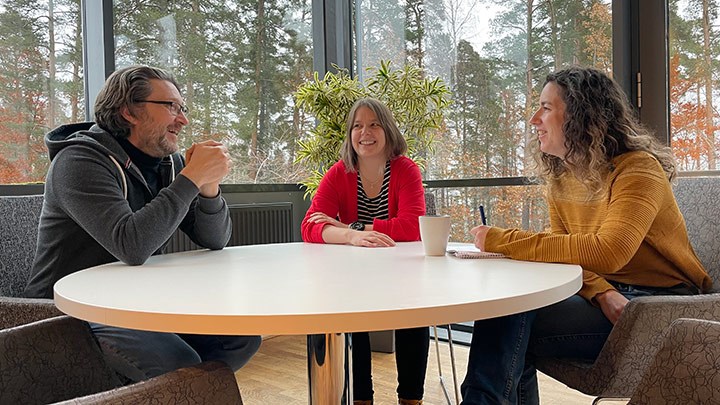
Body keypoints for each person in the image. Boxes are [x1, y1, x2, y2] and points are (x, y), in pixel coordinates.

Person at [459, 66, 713, 405]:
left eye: (546, 108)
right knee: (512, 307)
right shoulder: (563, 178)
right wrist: (601, 292)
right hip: (611, 297)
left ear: (581, 115)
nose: (534, 119)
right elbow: (568, 257)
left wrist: (500, 239)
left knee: (510, 318)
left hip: (662, 305)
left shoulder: (638, 169)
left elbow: (610, 251)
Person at [23, 65, 261, 383]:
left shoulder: (169, 163)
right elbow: (131, 245)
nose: (183, 119)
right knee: (179, 362)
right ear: (129, 112)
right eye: (171, 107)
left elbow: (215, 238)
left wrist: (208, 187)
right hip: (70, 310)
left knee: (240, 338)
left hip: (132, 300)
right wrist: (191, 178)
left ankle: (169, 392)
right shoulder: (78, 162)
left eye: (182, 107)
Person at [301, 97, 429, 405]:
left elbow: (413, 225)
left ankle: (411, 399)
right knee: (350, 315)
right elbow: (310, 227)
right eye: (357, 126)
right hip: (353, 274)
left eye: (373, 124)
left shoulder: (405, 169)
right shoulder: (339, 173)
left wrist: (353, 227)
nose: (365, 132)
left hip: (403, 270)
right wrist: (349, 236)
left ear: (388, 130)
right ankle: (361, 399)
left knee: (415, 313)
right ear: (349, 134)